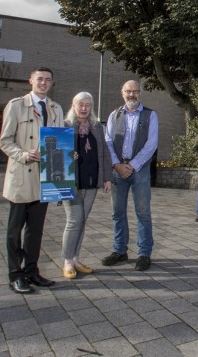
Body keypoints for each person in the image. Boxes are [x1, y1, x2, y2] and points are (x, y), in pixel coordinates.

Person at [0, 66, 64, 294]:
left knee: (35, 230)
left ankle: (31, 271)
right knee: (14, 229)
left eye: (48, 79)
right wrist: (24, 155)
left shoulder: (56, 108)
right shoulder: (16, 106)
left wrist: (68, 154)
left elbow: (58, 141)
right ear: (31, 81)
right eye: (40, 79)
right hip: (21, 176)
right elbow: (5, 141)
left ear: (52, 83)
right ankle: (15, 274)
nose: (43, 83)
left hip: (45, 178)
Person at [102, 80, 158, 271]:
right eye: (128, 91)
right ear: (122, 92)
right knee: (117, 212)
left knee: (143, 212)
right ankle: (119, 250)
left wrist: (131, 166)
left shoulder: (151, 115)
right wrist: (117, 165)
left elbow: (151, 145)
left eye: (135, 91)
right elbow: (108, 141)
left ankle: (144, 253)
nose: (132, 95)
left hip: (140, 169)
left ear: (140, 93)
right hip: (118, 169)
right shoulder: (114, 115)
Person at [61, 92, 112, 279]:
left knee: (82, 221)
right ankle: (67, 261)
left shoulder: (97, 127)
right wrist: (68, 156)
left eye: (88, 105)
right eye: (80, 104)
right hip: (71, 182)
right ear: (73, 106)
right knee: (74, 221)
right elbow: (56, 151)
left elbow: (105, 153)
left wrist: (107, 178)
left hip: (91, 181)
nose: (84, 108)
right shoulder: (65, 126)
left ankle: (75, 258)